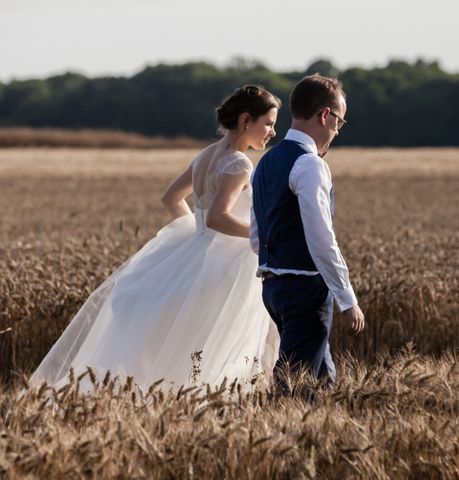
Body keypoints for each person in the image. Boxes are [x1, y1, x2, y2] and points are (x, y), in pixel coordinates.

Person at [29, 85, 282, 393]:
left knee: (183, 337)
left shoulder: (205, 155)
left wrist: (195, 233)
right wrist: (260, 236)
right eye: (268, 123)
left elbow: (171, 198)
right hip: (226, 263)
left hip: (196, 252)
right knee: (211, 340)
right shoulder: (239, 163)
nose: (272, 131)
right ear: (246, 120)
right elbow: (218, 217)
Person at [251, 74, 365, 393]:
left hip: (273, 288)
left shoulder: (265, 162)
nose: (337, 131)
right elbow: (322, 239)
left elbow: (255, 235)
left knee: (322, 382)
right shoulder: (309, 164)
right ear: (325, 115)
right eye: (339, 122)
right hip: (305, 289)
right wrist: (347, 298)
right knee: (293, 388)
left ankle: (319, 437)